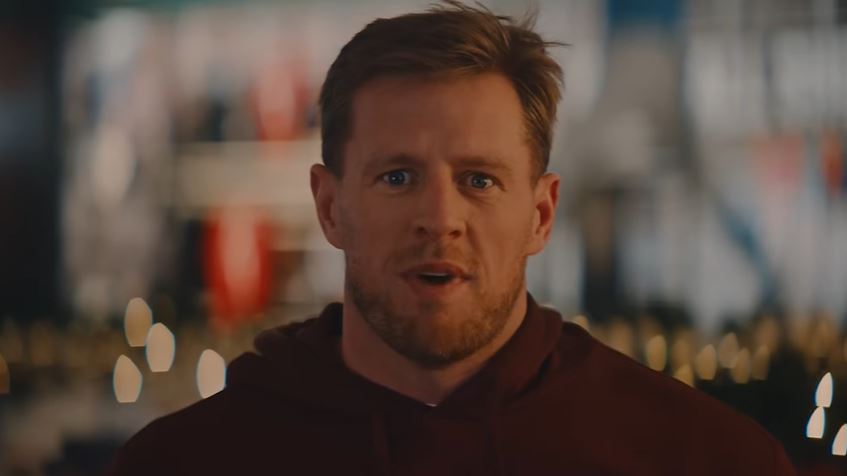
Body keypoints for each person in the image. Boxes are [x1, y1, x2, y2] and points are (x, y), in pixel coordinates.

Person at [108, 3, 796, 475]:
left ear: (541, 214)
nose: (439, 218)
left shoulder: (699, 458)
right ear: (329, 206)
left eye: (478, 180)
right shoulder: (186, 463)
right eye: (398, 177)